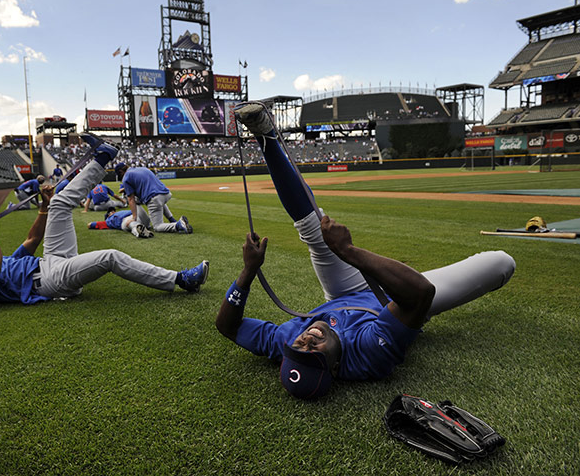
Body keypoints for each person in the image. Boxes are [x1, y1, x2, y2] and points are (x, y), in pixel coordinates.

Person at [215, 102, 516, 400]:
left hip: (343, 292)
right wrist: (348, 251)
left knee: (313, 228)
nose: (306, 341)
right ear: (335, 368)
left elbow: (227, 326)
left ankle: (264, 133)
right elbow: (419, 294)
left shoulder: (286, 341)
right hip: (394, 301)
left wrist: (248, 272)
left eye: (299, 348)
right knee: (501, 262)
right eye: (313, 352)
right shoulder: (368, 355)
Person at [0, 137, 209, 305]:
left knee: (60, 202)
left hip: (49, 261)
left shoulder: (3, 261)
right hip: (48, 281)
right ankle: (180, 280)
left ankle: (103, 157)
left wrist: (44, 208)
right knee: (110, 257)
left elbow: (32, 240)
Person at [114, 162, 191, 234]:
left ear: (121, 172)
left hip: (154, 198)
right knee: (158, 202)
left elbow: (131, 200)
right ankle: (172, 220)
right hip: (166, 193)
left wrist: (134, 218)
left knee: (157, 227)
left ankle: (178, 225)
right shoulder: (142, 168)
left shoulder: (126, 178)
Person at [88, 207, 153, 239]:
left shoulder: (122, 212)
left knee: (137, 206)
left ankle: (143, 228)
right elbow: (90, 224)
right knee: (131, 224)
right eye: (110, 212)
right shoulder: (108, 221)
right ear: (108, 215)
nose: (112, 212)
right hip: (125, 221)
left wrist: (134, 216)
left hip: (136, 216)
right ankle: (140, 230)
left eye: (113, 211)